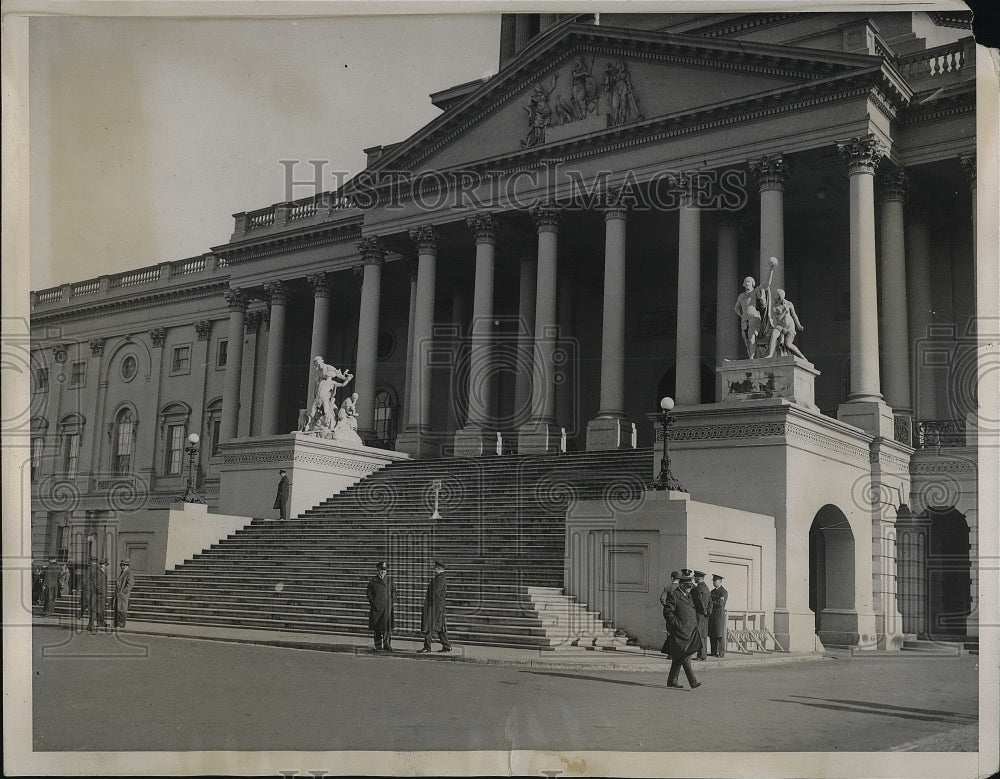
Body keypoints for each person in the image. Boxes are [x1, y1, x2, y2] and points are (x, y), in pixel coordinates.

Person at [662, 569, 703, 690]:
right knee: (685, 656)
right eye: (688, 586)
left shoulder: (689, 595)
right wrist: (677, 624)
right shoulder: (674, 595)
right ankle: (693, 682)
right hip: (679, 633)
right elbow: (668, 613)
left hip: (689, 631)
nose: (690, 588)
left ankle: (672, 681)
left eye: (691, 586)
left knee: (677, 658)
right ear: (682, 585)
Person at [419, 561, 452, 653]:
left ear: (440, 568)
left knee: (429, 625)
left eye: (436, 567)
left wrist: (430, 605)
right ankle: (447, 645)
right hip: (438, 606)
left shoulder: (440, 578)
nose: (434, 569)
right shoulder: (440, 578)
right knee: (440, 626)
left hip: (435, 606)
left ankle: (427, 647)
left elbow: (436, 593)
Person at [765, 289, 806, 360]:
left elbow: (794, 315)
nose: (774, 297)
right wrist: (784, 311)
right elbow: (778, 319)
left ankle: (802, 357)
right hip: (780, 326)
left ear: (780, 296)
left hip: (790, 327)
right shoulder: (775, 306)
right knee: (774, 335)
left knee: (788, 344)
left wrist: (799, 326)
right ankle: (770, 354)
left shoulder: (789, 303)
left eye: (776, 295)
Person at [366, 561, 397, 651]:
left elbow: (394, 592)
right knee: (377, 628)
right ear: (378, 570)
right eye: (381, 570)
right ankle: (378, 646)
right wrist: (373, 602)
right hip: (376, 608)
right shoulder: (372, 581)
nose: (382, 571)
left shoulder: (390, 580)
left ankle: (387, 645)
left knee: (387, 628)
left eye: (384, 570)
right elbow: (369, 594)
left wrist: (391, 602)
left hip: (387, 607)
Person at [733, 276, 766, 359]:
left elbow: (767, 284)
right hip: (745, 320)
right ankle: (751, 356)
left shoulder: (755, 292)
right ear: (744, 284)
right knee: (746, 340)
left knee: (752, 338)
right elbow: (736, 308)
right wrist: (743, 315)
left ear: (752, 284)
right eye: (746, 281)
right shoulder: (741, 296)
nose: (747, 283)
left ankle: (752, 357)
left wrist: (771, 270)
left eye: (749, 281)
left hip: (754, 317)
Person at [692, 570, 712, 661]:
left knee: (699, 634)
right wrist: (708, 612)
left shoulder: (698, 589)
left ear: (698, 578)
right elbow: (710, 602)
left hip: (699, 614)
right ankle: (703, 655)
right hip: (705, 616)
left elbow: (699, 602)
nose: (694, 578)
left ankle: (700, 655)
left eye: (695, 577)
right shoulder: (706, 588)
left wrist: (704, 611)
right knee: (703, 634)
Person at [709, 574, 729, 658]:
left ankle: (721, 652)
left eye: (715, 580)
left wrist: (711, 602)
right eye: (713, 580)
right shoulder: (712, 591)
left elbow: (720, 604)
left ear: (720, 581)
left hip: (719, 616)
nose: (714, 582)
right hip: (712, 615)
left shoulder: (723, 592)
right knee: (712, 633)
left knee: (719, 634)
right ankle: (713, 651)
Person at [87, 559, 109, 633]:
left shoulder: (101, 572)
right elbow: (97, 584)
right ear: (101, 565)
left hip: (100, 595)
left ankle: (91, 625)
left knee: (97, 610)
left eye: (106, 565)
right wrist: (100, 592)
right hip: (97, 595)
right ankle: (91, 626)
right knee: (94, 611)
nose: (106, 566)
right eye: (105, 565)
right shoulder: (98, 573)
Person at [114, 558, 136, 628]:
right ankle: (117, 624)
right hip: (119, 594)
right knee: (118, 609)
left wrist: (124, 591)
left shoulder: (129, 572)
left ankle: (121, 624)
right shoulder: (123, 571)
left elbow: (130, 583)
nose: (120, 565)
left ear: (126, 565)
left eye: (122, 564)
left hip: (123, 594)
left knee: (122, 609)